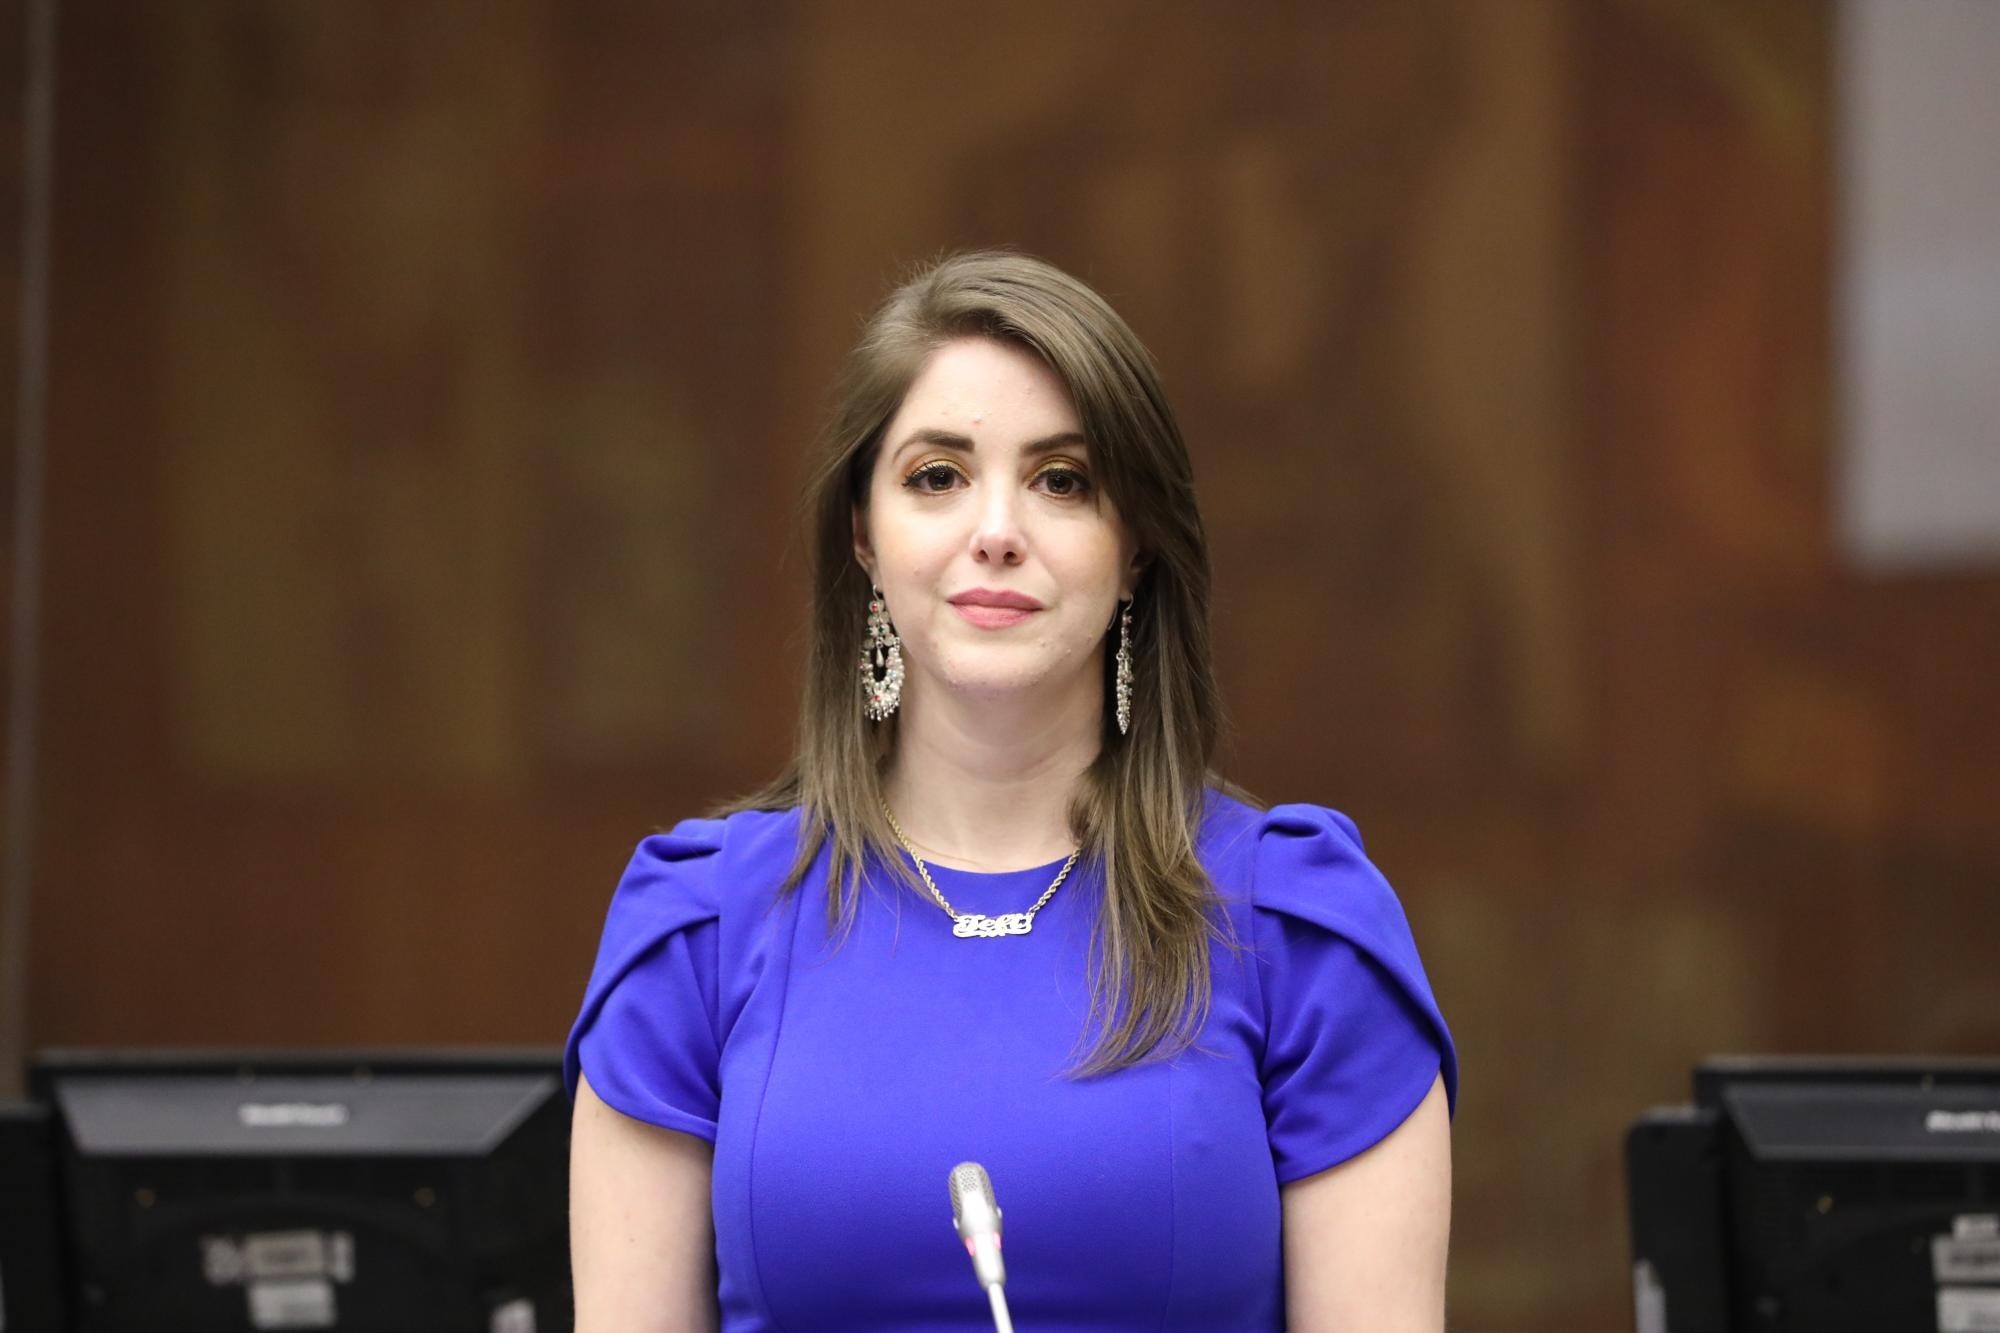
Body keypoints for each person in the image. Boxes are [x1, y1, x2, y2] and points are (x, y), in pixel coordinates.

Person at [565, 251, 1457, 1332]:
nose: (996, 529)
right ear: (862, 536)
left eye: (1062, 480)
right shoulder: (696, 931)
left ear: (1133, 549)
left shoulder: (1301, 932)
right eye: (936, 476)